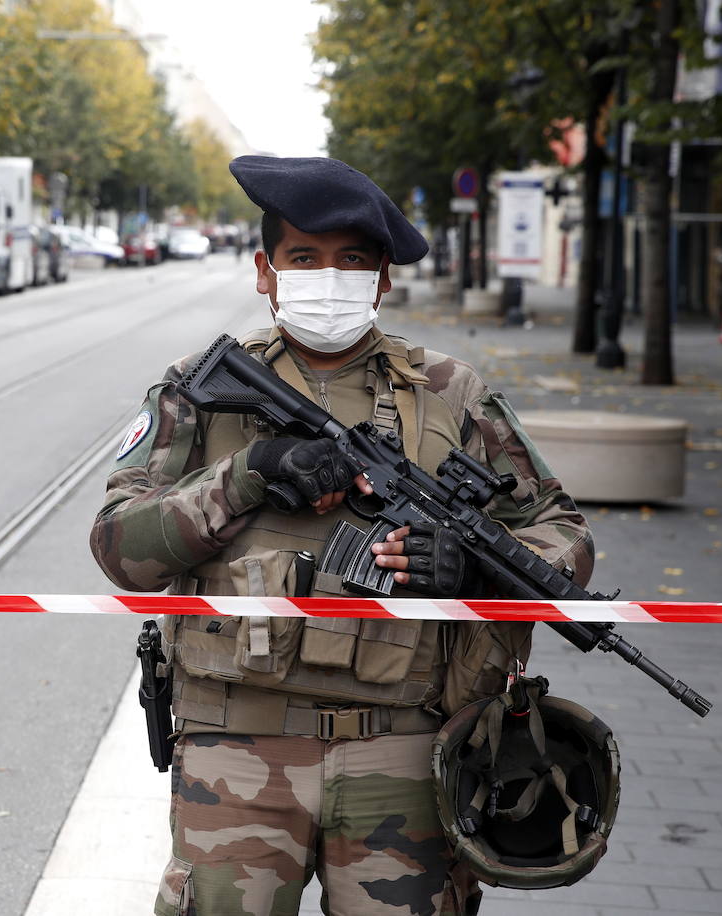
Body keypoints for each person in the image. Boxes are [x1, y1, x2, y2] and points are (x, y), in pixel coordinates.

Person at [90, 155, 595, 916]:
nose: (329, 277)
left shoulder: (451, 393)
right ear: (266, 272)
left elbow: (564, 534)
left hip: (406, 750)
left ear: (382, 279)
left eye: (352, 261)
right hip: (236, 749)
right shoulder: (200, 387)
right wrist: (248, 472)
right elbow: (119, 548)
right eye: (304, 258)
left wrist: (471, 568)